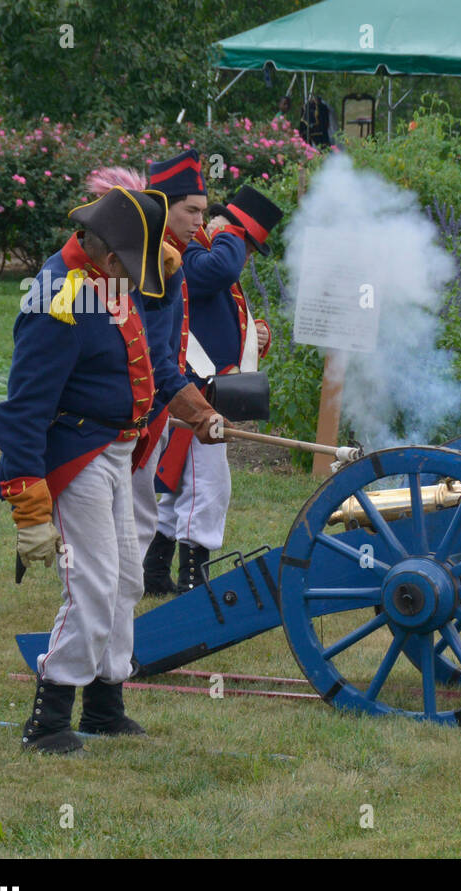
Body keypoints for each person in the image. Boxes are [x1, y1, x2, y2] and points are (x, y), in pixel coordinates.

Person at [0, 187, 225, 753]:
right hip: (77, 455)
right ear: (111, 256)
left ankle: (103, 701)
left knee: (126, 577)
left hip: (126, 451)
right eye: (140, 265)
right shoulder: (59, 297)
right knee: (93, 582)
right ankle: (48, 718)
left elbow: (158, 362)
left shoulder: (115, 277)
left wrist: (197, 412)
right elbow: (23, 408)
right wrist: (29, 506)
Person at [151, 185, 283, 592]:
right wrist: (228, 232)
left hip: (208, 392)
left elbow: (226, 316)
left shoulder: (205, 256)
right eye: (244, 245)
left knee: (184, 488)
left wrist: (259, 334)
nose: (243, 257)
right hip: (194, 395)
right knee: (208, 487)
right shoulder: (193, 256)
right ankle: (194, 580)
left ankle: (153, 572)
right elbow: (222, 272)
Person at [137, 148, 211, 596]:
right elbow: (154, 355)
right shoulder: (151, 262)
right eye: (192, 210)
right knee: (132, 517)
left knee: (141, 510)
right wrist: (200, 411)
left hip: (156, 405)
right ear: (164, 207)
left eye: (204, 212)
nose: (201, 221)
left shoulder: (172, 256)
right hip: (136, 410)